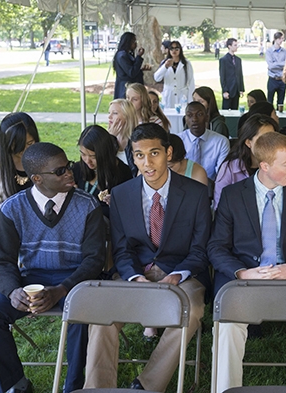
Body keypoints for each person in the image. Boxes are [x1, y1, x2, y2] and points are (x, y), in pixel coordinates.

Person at [84, 123, 211, 392]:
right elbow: (121, 249)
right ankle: (98, 388)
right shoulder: (121, 195)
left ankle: (148, 385)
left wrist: (178, 274)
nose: (147, 162)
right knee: (100, 311)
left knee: (191, 309)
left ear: (168, 152)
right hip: (135, 274)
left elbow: (200, 249)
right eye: (139, 155)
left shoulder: (196, 193)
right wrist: (135, 276)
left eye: (154, 153)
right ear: (132, 157)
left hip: (181, 274)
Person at [0, 142, 105, 393]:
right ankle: (14, 384)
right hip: (32, 279)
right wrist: (12, 291)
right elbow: (3, 260)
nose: (70, 173)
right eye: (60, 171)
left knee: (82, 309)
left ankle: (73, 386)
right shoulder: (12, 208)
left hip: (75, 280)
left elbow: (94, 259)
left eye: (69, 166)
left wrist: (61, 290)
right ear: (37, 178)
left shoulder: (88, 205)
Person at [208, 132, 286, 393]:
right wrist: (243, 273)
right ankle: (226, 389)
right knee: (227, 324)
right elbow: (216, 247)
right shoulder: (233, 195)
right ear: (265, 166)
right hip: (244, 279)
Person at [0, 113, 39, 261]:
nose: (25, 149)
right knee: (6, 261)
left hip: (38, 221)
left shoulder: (39, 157)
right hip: (4, 224)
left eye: (30, 143)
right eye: (19, 145)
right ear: (7, 142)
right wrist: (16, 212)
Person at [214, 114, 277, 209]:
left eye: (273, 138)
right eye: (263, 139)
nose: (270, 143)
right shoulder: (230, 168)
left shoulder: (281, 165)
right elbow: (219, 206)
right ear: (248, 142)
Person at [73, 125, 133, 217]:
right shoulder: (77, 168)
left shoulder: (122, 173)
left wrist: (115, 204)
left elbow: (128, 210)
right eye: (83, 154)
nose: (87, 161)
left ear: (105, 153)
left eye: (93, 157)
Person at [176, 102, 230, 181]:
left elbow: (222, 174)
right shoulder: (178, 140)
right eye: (190, 115)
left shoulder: (221, 142)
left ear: (207, 118)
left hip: (211, 187)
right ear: (185, 119)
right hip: (182, 186)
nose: (194, 119)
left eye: (199, 114)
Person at [153, 40, 195, 108]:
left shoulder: (186, 63)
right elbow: (157, 78)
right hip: (168, 96)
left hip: (182, 96)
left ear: (180, 50)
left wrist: (190, 100)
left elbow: (191, 82)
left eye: (176, 48)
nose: (174, 50)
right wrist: (165, 67)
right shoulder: (164, 62)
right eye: (171, 48)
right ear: (169, 50)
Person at [113, 32, 150, 99]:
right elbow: (131, 72)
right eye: (134, 41)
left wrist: (140, 69)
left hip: (131, 87)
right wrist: (138, 57)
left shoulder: (127, 54)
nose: (135, 43)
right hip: (126, 89)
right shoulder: (122, 55)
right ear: (128, 42)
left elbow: (130, 69)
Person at [107, 98, 138, 175]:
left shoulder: (137, 140)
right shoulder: (105, 138)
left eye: (115, 113)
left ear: (127, 116)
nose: (109, 117)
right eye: (109, 113)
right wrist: (110, 138)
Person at [219, 38, 245, 110]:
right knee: (226, 110)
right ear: (229, 46)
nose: (236, 47)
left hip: (236, 89)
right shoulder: (223, 60)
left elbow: (240, 75)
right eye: (235, 45)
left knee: (235, 109)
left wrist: (241, 89)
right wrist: (225, 90)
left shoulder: (238, 60)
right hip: (228, 89)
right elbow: (222, 76)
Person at [266, 32, 286, 111]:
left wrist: (275, 64)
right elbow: (271, 66)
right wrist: (281, 65)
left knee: (281, 101)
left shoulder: (284, 51)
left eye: (282, 38)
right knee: (269, 101)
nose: (281, 40)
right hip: (272, 78)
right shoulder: (269, 51)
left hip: (282, 79)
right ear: (275, 39)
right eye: (280, 39)